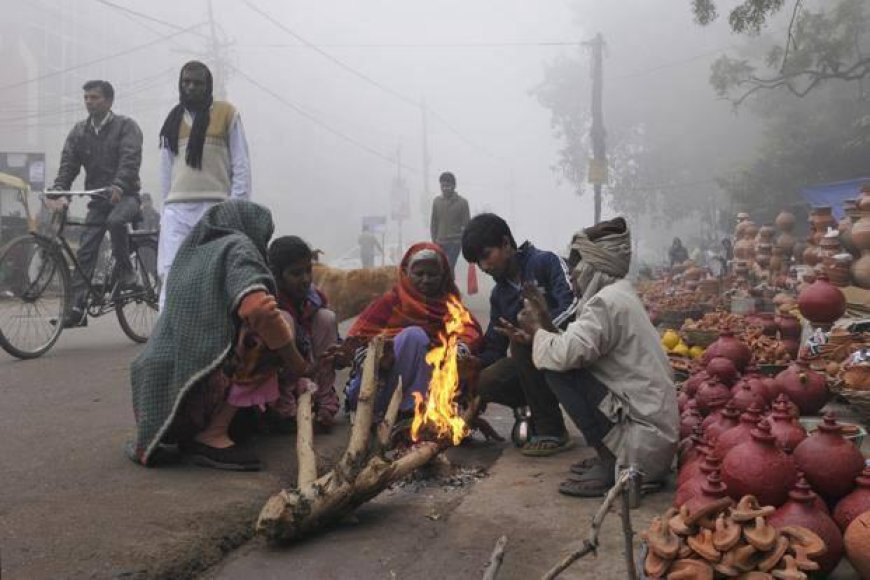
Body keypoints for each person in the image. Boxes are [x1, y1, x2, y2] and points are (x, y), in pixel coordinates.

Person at [129, 199, 308, 470]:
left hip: (157, 401)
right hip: (194, 390)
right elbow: (258, 309)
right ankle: (212, 435)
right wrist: (298, 365)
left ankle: (216, 427)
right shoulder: (238, 247)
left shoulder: (195, 253)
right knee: (275, 325)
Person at [506, 217, 678, 497]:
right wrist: (544, 324)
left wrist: (537, 328)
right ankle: (608, 454)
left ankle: (612, 461)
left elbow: (564, 356)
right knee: (557, 358)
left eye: (575, 268)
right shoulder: (618, 295)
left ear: (592, 266)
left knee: (557, 370)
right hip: (652, 440)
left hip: (641, 450)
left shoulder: (606, 302)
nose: (572, 276)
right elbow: (575, 346)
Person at [460, 213, 579, 456]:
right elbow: (495, 346)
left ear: (506, 244)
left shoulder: (546, 262)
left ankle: (552, 430)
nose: (484, 267)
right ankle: (534, 409)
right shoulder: (499, 295)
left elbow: (574, 304)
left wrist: (539, 331)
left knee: (523, 342)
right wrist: (473, 364)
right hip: (537, 366)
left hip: (574, 351)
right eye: (478, 263)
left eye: (486, 256)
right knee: (486, 379)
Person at [334, 242, 482, 426]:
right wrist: (378, 357)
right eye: (419, 274)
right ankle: (406, 412)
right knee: (415, 336)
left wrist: (458, 350)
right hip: (378, 392)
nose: (426, 280)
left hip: (431, 389)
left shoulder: (451, 305)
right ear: (406, 273)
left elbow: (470, 331)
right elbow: (356, 343)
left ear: (443, 276)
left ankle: (423, 413)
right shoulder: (390, 303)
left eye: (432, 274)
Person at [157, 61, 251, 310]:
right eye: (186, 82)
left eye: (197, 83)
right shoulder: (172, 121)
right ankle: (166, 338)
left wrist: (235, 207)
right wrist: (164, 212)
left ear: (207, 85)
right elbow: (166, 170)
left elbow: (241, 165)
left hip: (215, 208)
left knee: (214, 276)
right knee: (172, 274)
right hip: (177, 210)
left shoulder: (227, 114)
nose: (190, 87)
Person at [50, 79, 143, 327]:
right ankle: (78, 307)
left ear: (109, 101)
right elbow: (68, 165)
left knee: (116, 221)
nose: (89, 102)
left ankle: (126, 271)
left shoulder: (126, 126)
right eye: (86, 98)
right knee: (86, 250)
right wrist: (60, 189)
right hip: (99, 200)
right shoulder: (79, 132)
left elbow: (130, 159)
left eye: (94, 97)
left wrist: (120, 185)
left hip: (127, 197)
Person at [267, 235, 340, 432]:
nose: (305, 279)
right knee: (282, 322)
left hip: (309, 373)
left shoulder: (314, 299)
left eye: (308, 271)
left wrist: (342, 353)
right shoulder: (268, 300)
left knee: (326, 318)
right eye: (296, 273)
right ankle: (285, 411)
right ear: (276, 275)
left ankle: (325, 404)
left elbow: (331, 349)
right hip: (281, 377)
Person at [430, 171, 470, 273]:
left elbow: (467, 225)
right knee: (439, 268)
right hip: (439, 242)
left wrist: (462, 239)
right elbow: (434, 222)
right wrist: (434, 240)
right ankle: (445, 287)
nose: (445, 188)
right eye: (442, 186)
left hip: (454, 243)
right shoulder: (437, 202)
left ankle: (449, 288)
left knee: (448, 266)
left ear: (454, 186)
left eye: (447, 186)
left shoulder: (462, 203)